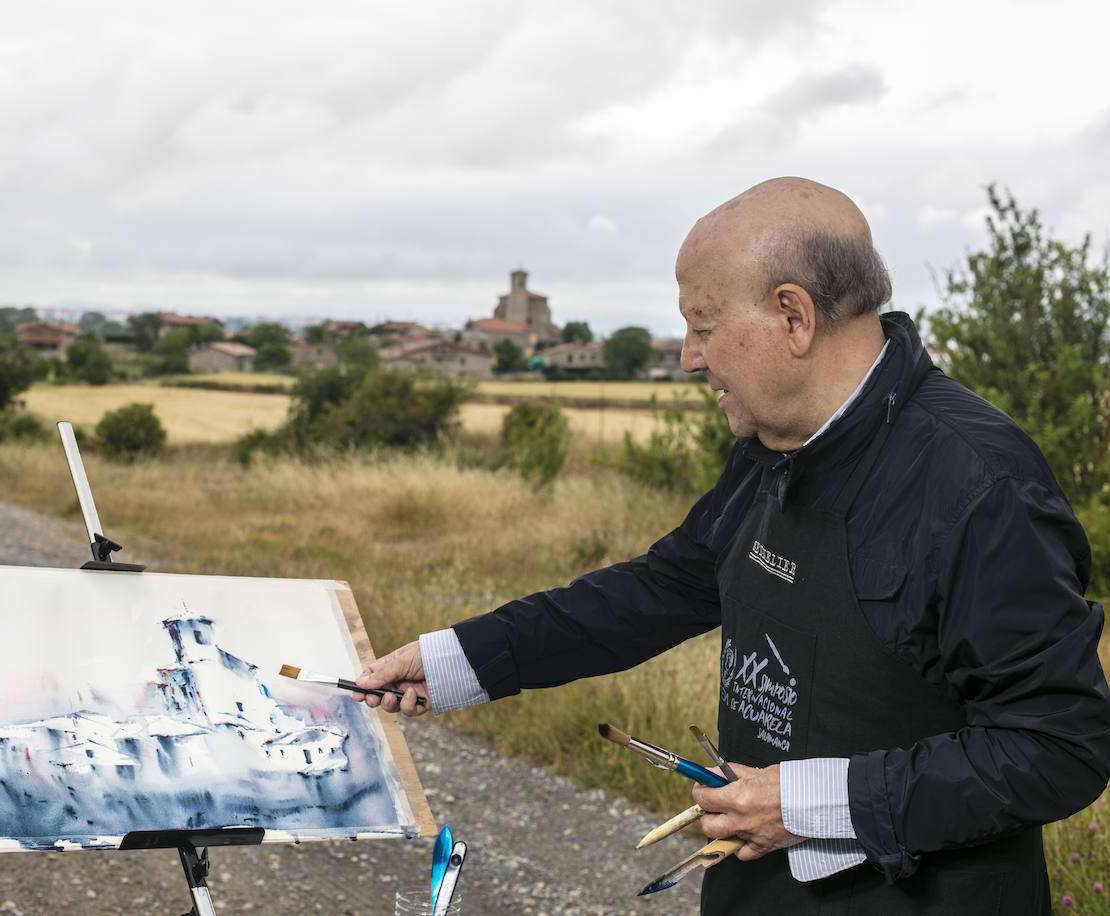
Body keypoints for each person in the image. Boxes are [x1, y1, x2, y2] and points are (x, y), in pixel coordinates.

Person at [354, 177, 1110, 914]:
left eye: (704, 326)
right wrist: (456, 660)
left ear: (793, 317)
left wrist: (811, 804)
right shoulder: (776, 439)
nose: (688, 357)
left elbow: (1058, 747)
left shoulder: (979, 484)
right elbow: (663, 587)